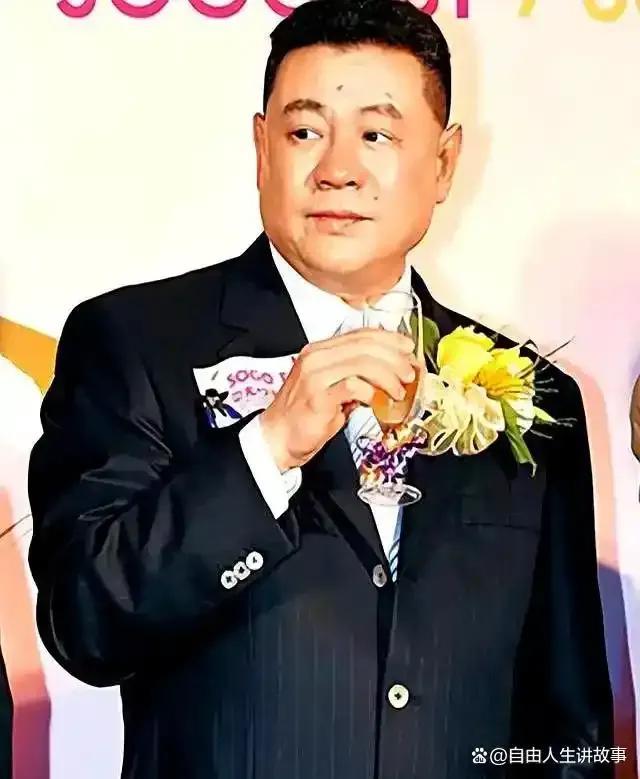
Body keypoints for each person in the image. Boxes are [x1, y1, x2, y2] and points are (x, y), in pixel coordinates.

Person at [28, 1, 613, 776]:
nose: (338, 168)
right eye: (305, 132)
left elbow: (569, 724)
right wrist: (266, 451)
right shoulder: (136, 343)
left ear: (444, 163)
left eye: (377, 135)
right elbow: (85, 623)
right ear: (261, 148)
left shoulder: (532, 394)